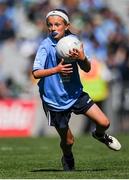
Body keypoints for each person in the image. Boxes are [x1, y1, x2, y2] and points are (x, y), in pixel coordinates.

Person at [32, 9, 121, 171]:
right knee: (68, 141)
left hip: (75, 94)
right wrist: (56, 69)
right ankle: (67, 157)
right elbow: (36, 72)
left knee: (104, 122)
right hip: (54, 100)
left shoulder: (73, 42)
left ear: (67, 26)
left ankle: (99, 135)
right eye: (50, 25)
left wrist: (82, 58)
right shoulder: (45, 46)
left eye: (57, 24)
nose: (53, 28)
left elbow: (86, 68)